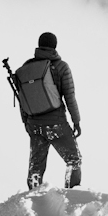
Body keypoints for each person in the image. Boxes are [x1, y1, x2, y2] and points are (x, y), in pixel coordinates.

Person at [20, 32, 82, 190]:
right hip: (56, 124)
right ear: (55, 46)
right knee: (73, 160)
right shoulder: (61, 66)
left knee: (36, 166)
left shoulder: (27, 67)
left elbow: (22, 98)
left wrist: (26, 122)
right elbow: (69, 97)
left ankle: (33, 196)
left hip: (34, 125)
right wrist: (76, 121)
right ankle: (72, 195)